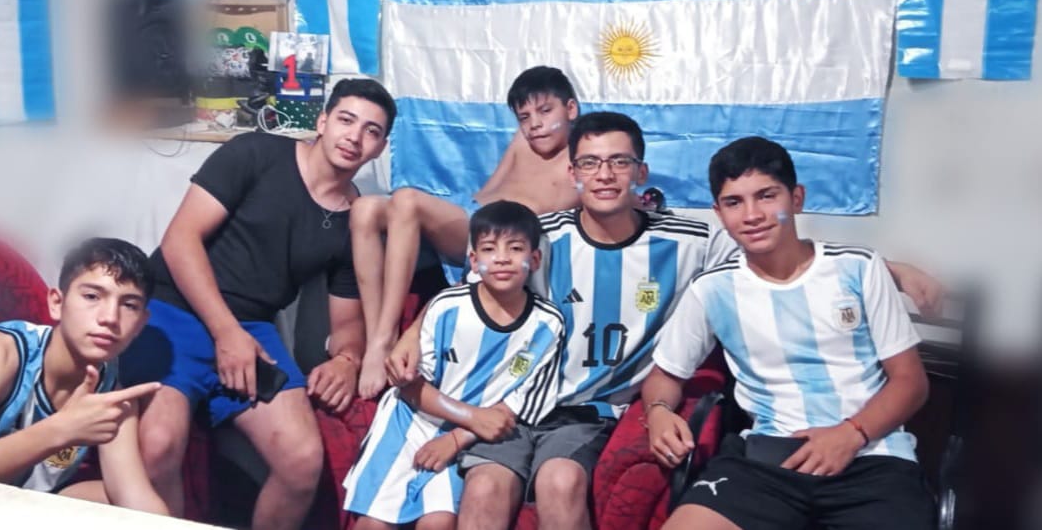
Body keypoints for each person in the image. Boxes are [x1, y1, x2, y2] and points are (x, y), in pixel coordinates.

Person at [388, 113, 943, 530]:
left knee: (559, 480)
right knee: (485, 489)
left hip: (594, 414)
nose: (605, 175)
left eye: (619, 162)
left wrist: (890, 269)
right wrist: (412, 334)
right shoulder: (541, 238)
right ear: (573, 173)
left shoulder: (692, 243)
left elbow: (785, 253)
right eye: (590, 163)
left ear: (641, 172)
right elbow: (471, 286)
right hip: (516, 404)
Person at [119, 78, 395, 530]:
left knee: (302, 460)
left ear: (380, 147)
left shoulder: (356, 218)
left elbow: (347, 319)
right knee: (157, 443)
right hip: (173, 309)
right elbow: (180, 240)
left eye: (371, 131)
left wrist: (347, 360)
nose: (354, 136)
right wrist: (226, 333)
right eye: (346, 120)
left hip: (252, 328)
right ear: (322, 122)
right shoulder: (256, 152)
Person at [644, 136, 934, 530]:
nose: (752, 215)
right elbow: (664, 376)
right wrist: (659, 412)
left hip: (871, 456)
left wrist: (851, 434)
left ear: (796, 198)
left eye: (767, 196)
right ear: (719, 212)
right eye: (734, 202)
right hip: (766, 462)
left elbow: (911, 382)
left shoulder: (860, 268)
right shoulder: (711, 289)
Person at [352, 65, 580, 400]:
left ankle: (385, 337)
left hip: (493, 233)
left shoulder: (583, 157)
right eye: (525, 117)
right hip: (471, 213)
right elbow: (490, 188)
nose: (535, 123)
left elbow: (616, 193)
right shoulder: (525, 139)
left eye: (546, 111)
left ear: (571, 109)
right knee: (365, 209)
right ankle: (376, 337)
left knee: (408, 200)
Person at [342, 200, 565, 530]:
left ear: (534, 260)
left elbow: (517, 406)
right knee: (374, 524)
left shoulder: (548, 325)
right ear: (473, 261)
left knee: (439, 522)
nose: (502, 258)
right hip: (411, 421)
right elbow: (411, 387)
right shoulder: (447, 307)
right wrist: (471, 417)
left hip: (470, 437)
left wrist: (458, 437)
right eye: (489, 249)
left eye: (515, 248)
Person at [0, 237, 166, 515]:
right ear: (57, 303)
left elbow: (133, 495)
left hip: (6, 507)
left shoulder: (111, 393)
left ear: (140, 324)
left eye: (129, 305)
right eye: (92, 296)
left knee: (122, 506)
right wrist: (62, 429)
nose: (109, 317)